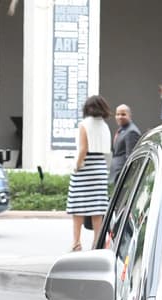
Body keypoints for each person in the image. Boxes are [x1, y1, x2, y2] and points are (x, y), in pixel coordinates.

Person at [66, 95, 112, 251]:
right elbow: (107, 151)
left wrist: (76, 166)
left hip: (85, 169)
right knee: (97, 209)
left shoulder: (84, 124)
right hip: (100, 167)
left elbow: (83, 149)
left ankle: (76, 243)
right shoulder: (104, 126)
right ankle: (97, 243)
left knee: (77, 207)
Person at [111, 103, 140, 186]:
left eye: (123, 114)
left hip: (122, 176)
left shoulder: (131, 132)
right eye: (117, 114)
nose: (120, 117)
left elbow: (130, 157)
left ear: (129, 115)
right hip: (117, 174)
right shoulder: (122, 129)